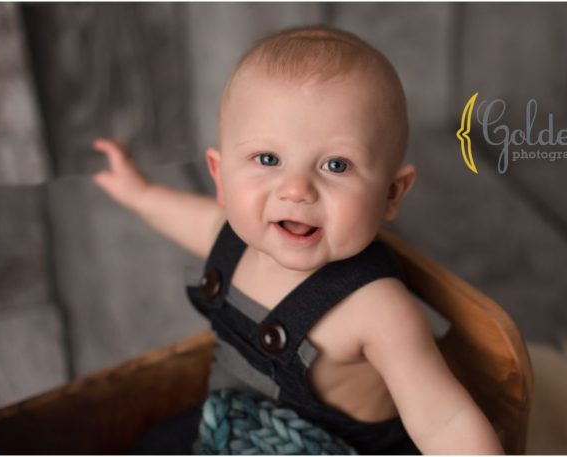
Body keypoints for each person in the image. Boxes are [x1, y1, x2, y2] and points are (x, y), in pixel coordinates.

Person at [93, 25, 503, 454]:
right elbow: (181, 217)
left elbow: (444, 421)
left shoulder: (378, 310)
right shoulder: (233, 240)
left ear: (391, 194)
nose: (296, 189)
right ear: (220, 177)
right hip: (226, 429)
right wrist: (140, 194)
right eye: (267, 159)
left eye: (336, 165)